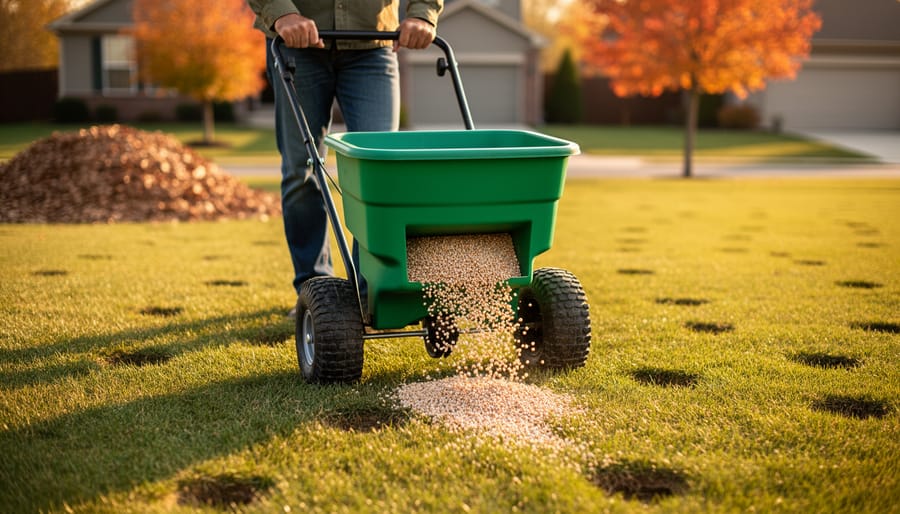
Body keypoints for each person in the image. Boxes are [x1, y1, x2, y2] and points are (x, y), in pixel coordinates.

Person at [247, 0, 443, 316]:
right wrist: (282, 13)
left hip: (372, 47)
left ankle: (371, 293)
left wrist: (423, 14)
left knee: (378, 173)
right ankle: (316, 293)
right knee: (303, 169)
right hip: (297, 45)